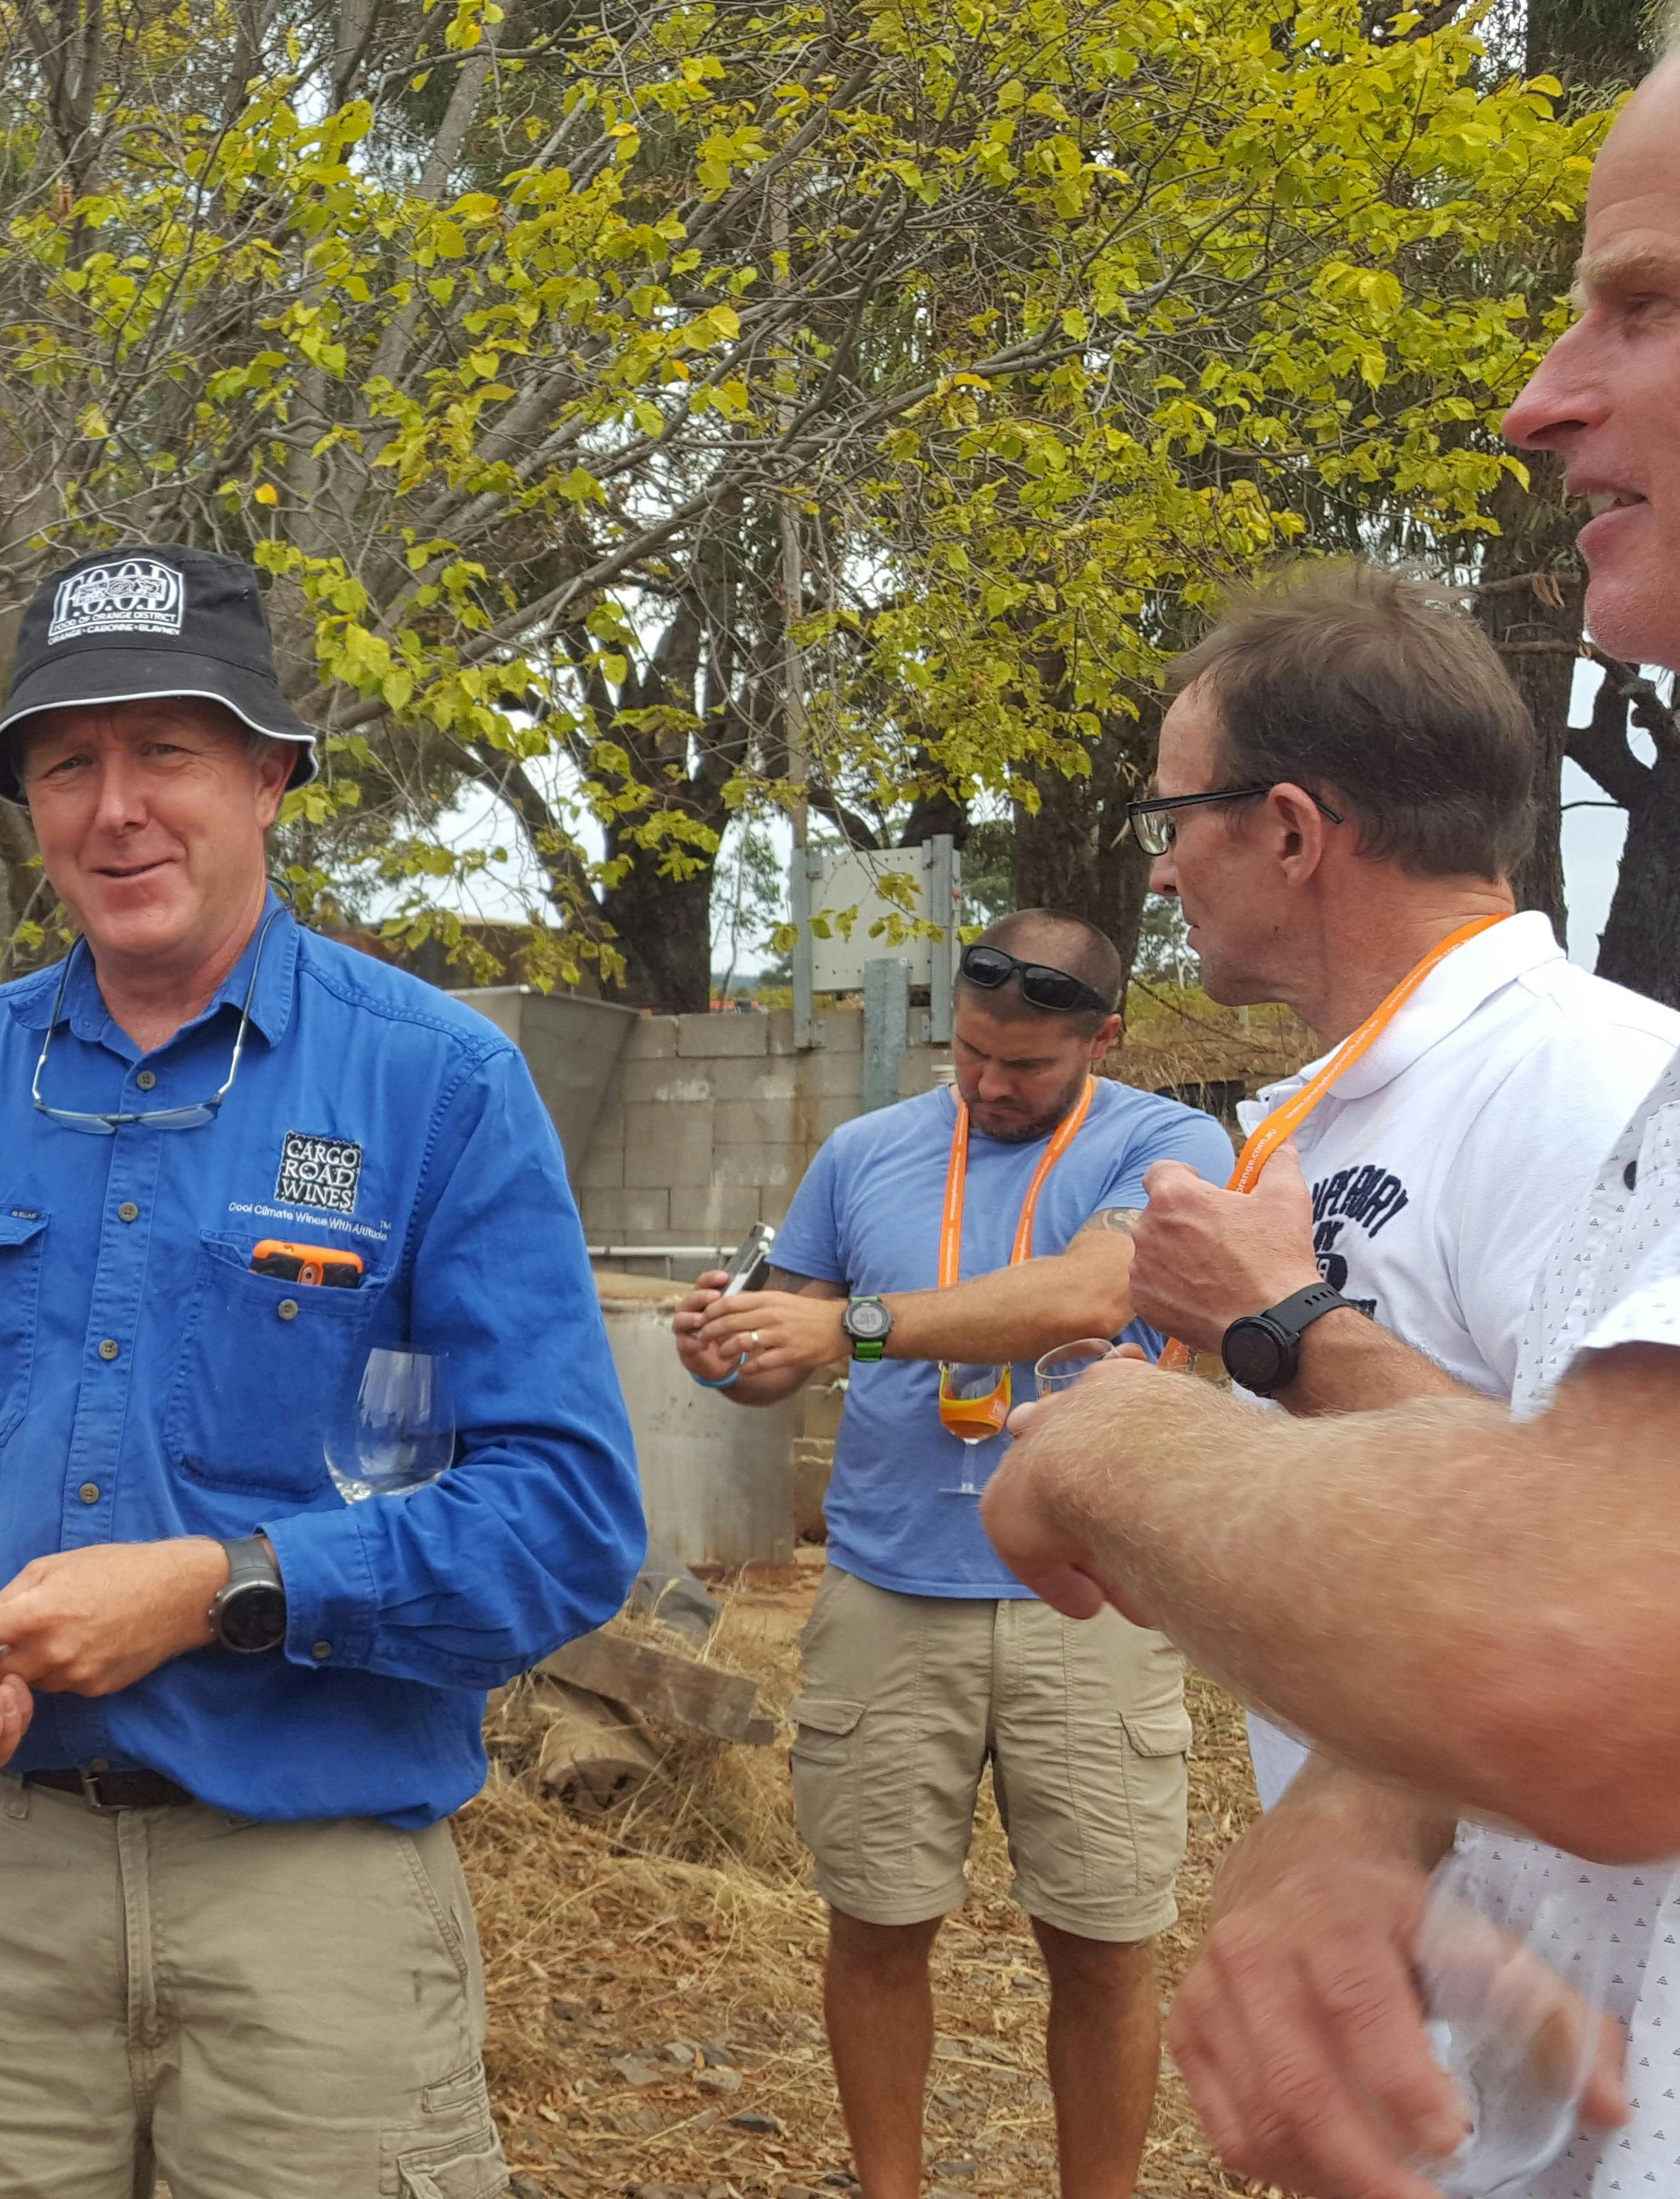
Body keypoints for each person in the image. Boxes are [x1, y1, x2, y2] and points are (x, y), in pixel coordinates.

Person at [988, 65, 1680, 2199]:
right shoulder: (1344, 1097)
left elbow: (1591, 1606)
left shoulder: (1582, 1075)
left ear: (1291, 829)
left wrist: (1199, 1384)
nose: (1542, 399)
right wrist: (1352, 1803)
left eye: (1645, 306)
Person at [0, 544, 644, 2196]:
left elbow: (565, 1516)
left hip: (311, 1895)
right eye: (67, 763)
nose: (117, 809)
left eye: (165, 751)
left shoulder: (438, 1086)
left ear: (269, 777)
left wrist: (218, 1590)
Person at [667, 910, 1234, 2199]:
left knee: (1103, 1945)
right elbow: (782, 1358)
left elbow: (1094, 1295)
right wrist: (730, 1351)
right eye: (971, 1052)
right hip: (888, 1592)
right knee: (874, 1925)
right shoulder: (866, 1151)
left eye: (1026, 1065)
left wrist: (854, 1328)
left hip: (1091, 1598)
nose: (989, 1084)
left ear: (1105, 1038)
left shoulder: (1168, 1145)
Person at [1112, 563, 1680, 1802]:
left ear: (1289, 832)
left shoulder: (1601, 1091)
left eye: (1173, 820)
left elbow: (1620, 1579)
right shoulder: (1362, 1096)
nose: (1161, 873)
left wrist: (1278, 1325)